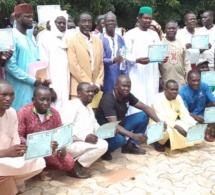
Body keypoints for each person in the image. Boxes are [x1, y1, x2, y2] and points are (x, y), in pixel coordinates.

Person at [96, 75, 163, 160]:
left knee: (144, 115)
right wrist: (133, 135)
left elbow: (145, 107)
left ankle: (129, 146)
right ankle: (105, 151)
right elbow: (114, 125)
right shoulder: (108, 99)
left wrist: (159, 122)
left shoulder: (128, 95)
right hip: (106, 129)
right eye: (124, 86)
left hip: (120, 124)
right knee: (120, 140)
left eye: (128, 86)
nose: (126, 89)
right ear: (116, 86)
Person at [18, 86, 75, 180]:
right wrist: (34, 145)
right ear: (33, 100)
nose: (45, 103)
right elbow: (18, 136)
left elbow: (60, 135)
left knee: (69, 162)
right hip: (29, 151)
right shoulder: (23, 112)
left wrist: (61, 148)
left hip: (49, 150)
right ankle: (29, 173)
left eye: (48, 100)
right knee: (24, 160)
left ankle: (43, 170)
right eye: (42, 99)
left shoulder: (54, 113)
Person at [0, 79, 45, 194]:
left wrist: (20, 150)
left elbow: (15, 141)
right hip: (3, 157)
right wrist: (5, 153)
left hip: (6, 160)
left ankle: (7, 180)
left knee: (39, 161)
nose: (8, 99)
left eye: (11, 95)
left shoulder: (12, 113)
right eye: (4, 95)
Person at [124, 6, 168, 114]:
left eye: (150, 18)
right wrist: (136, 60)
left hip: (152, 72)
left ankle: (151, 124)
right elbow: (124, 54)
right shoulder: (130, 34)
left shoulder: (154, 34)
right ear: (138, 18)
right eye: (145, 18)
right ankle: (136, 126)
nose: (148, 20)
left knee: (152, 96)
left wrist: (161, 59)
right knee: (137, 97)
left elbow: (158, 52)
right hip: (136, 72)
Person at [61, 82, 108, 178]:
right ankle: (75, 167)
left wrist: (106, 132)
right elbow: (65, 127)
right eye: (87, 91)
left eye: (92, 91)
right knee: (102, 145)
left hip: (82, 143)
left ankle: (75, 164)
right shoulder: (71, 105)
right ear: (79, 93)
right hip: (70, 144)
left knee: (103, 142)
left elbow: (95, 125)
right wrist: (84, 137)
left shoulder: (89, 108)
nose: (91, 94)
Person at [5, 3, 46, 111]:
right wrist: (32, 80)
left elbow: (36, 62)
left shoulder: (30, 38)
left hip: (33, 88)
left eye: (31, 16)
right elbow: (10, 67)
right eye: (27, 16)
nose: (31, 19)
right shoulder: (12, 36)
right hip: (19, 89)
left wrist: (43, 79)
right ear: (18, 17)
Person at [150, 80, 200, 151]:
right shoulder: (157, 98)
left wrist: (195, 123)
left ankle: (169, 140)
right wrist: (176, 126)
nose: (175, 92)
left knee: (191, 127)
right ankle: (158, 142)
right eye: (172, 90)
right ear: (165, 89)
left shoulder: (178, 97)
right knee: (164, 130)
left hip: (173, 122)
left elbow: (185, 115)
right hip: (157, 123)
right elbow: (161, 117)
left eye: (176, 89)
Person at [37, 11, 70, 112]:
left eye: (64, 23)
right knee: (52, 109)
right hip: (52, 82)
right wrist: (49, 87)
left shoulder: (66, 39)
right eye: (59, 22)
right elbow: (42, 63)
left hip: (65, 81)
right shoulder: (45, 38)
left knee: (64, 109)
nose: (62, 25)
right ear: (52, 23)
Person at [67, 12, 104, 98]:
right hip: (78, 90)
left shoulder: (98, 42)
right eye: (83, 21)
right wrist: (90, 84)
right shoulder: (71, 40)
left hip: (95, 90)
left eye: (89, 21)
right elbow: (73, 65)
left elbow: (101, 65)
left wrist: (98, 84)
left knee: (93, 112)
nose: (87, 24)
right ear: (78, 23)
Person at [99, 12, 126, 94]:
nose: (110, 23)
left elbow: (124, 58)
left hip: (119, 75)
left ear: (116, 23)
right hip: (106, 76)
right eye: (108, 21)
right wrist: (112, 60)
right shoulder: (99, 39)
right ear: (104, 23)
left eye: (112, 21)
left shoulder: (120, 39)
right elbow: (99, 60)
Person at [160, 21, 191, 89]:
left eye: (173, 28)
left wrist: (189, 77)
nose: (171, 30)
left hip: (180, 79)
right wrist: (159, 77)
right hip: (165, 78)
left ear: (176, 29)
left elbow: (187, 62)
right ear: (165, 30)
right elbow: (156, 63)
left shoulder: (182, 44)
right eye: (169, 28)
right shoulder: (160, 44)